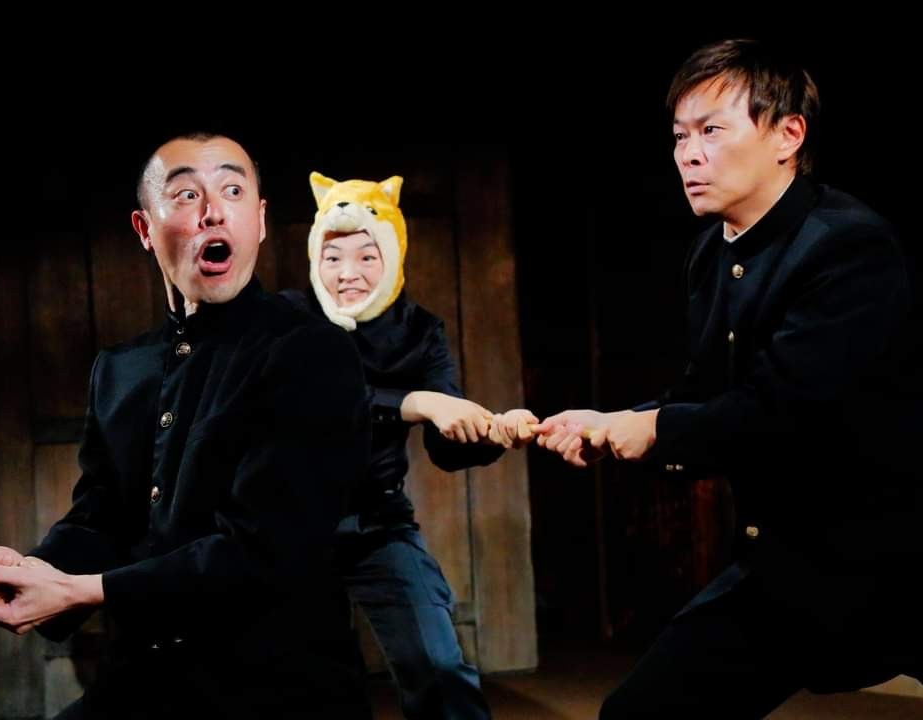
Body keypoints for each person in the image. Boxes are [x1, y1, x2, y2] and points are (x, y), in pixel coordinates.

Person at [533, 39, 923, 718]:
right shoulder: (710, 255)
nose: (689, 154)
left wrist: (654, 428)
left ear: (788, 135)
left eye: (711, 130)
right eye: (680, 136)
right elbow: (707, 394)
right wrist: (612, 424)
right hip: (790, 566)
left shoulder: (847, 245)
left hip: (898, 561)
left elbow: (784, 410)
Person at [0, 133, 373, 719]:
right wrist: (35, 572)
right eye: (185, 195)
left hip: (278, 689)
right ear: (144, 228)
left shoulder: (311, 352)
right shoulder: (120, 368)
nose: (213, 211)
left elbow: (266, 551)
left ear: (259, 221)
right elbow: (101, 516)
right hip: (144, 679)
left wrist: (81, 591)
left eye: (233, 191)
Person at [281, 171, 537, 719]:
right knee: (315, 686)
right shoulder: (290, 319)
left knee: (439, 666)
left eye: (367, 256)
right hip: (287, 529)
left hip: (377, 522)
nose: (347, 273)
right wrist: (416, 403)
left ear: (393, 257)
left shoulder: (420, 330)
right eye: (332, 257)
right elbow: (318, 403)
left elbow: (446, 445)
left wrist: (492, 432)